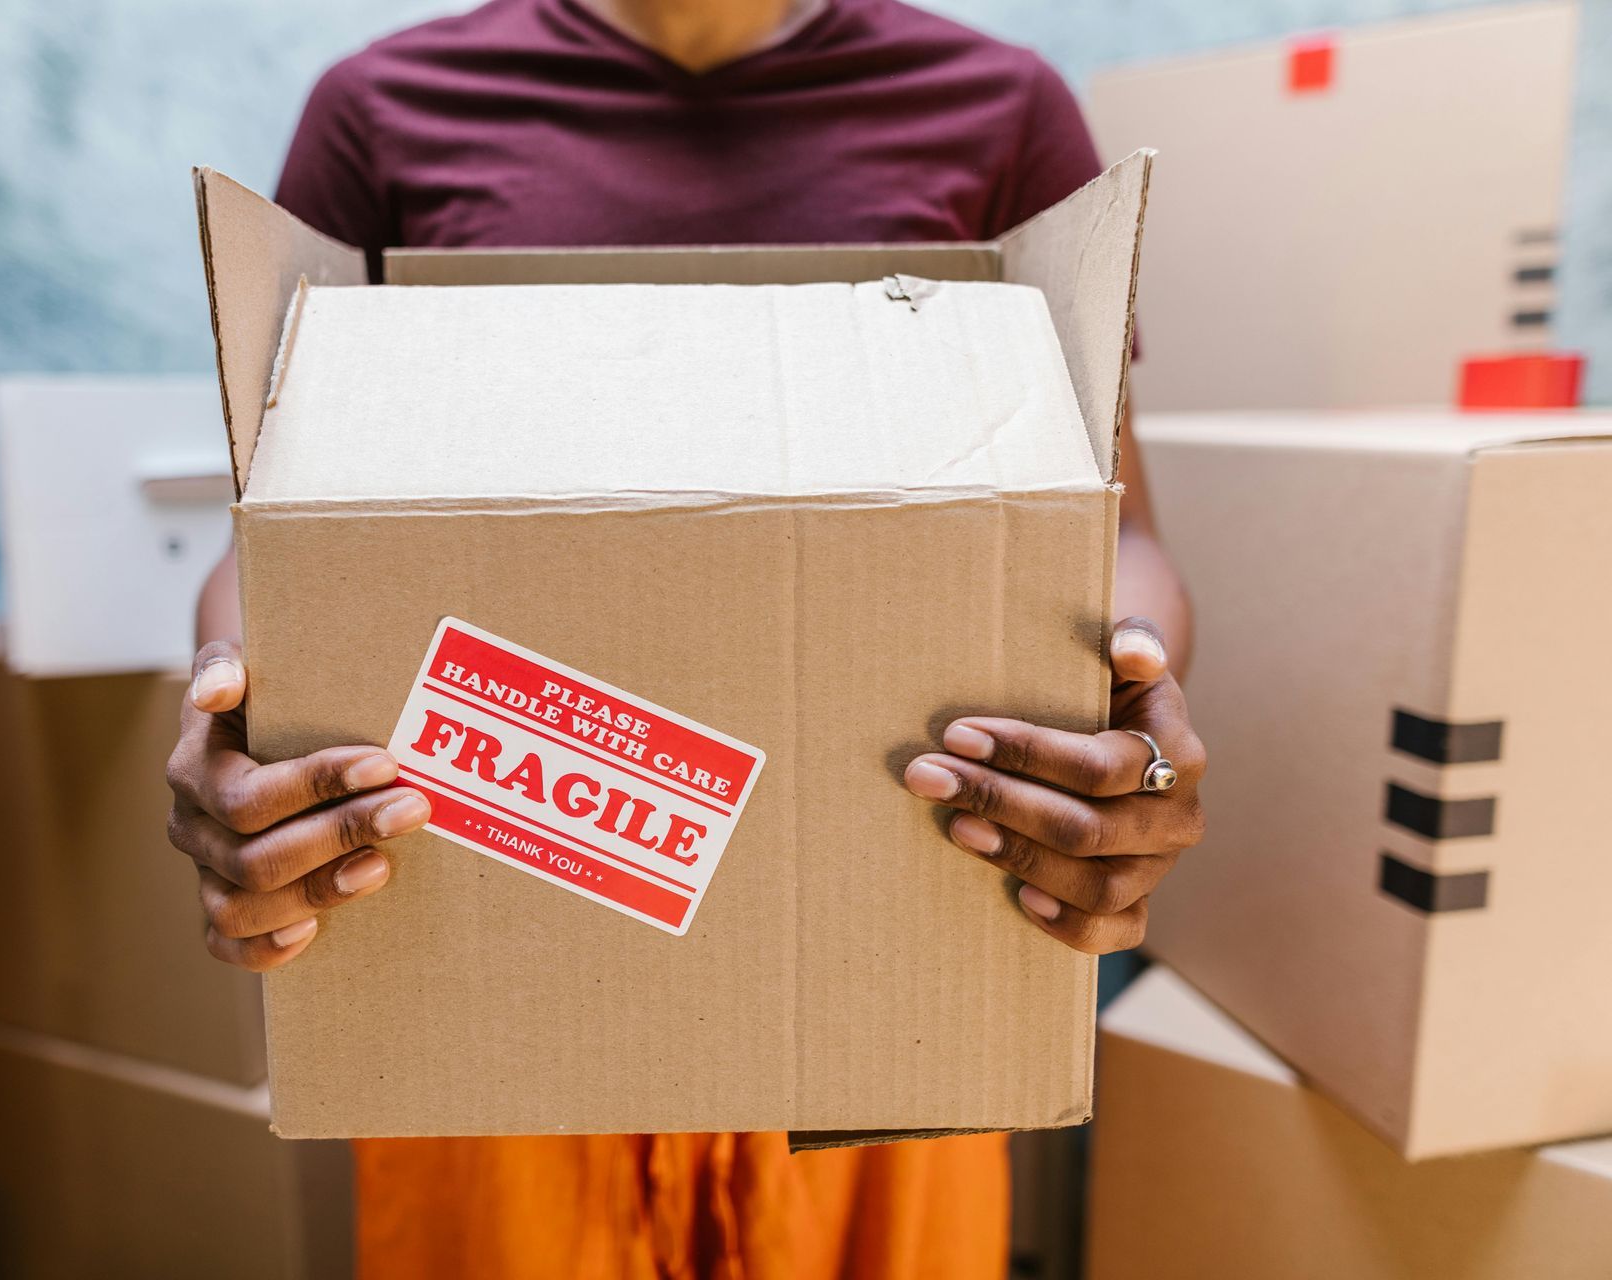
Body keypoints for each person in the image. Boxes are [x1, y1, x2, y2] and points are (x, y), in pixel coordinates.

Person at [164, 1, 1207, 1275]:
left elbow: (1121, 530)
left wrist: (1133, 725)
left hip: (888, 967)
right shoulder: (386, 111)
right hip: (497, 952)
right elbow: (269, 544)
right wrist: (242, 736)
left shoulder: (996, 111)